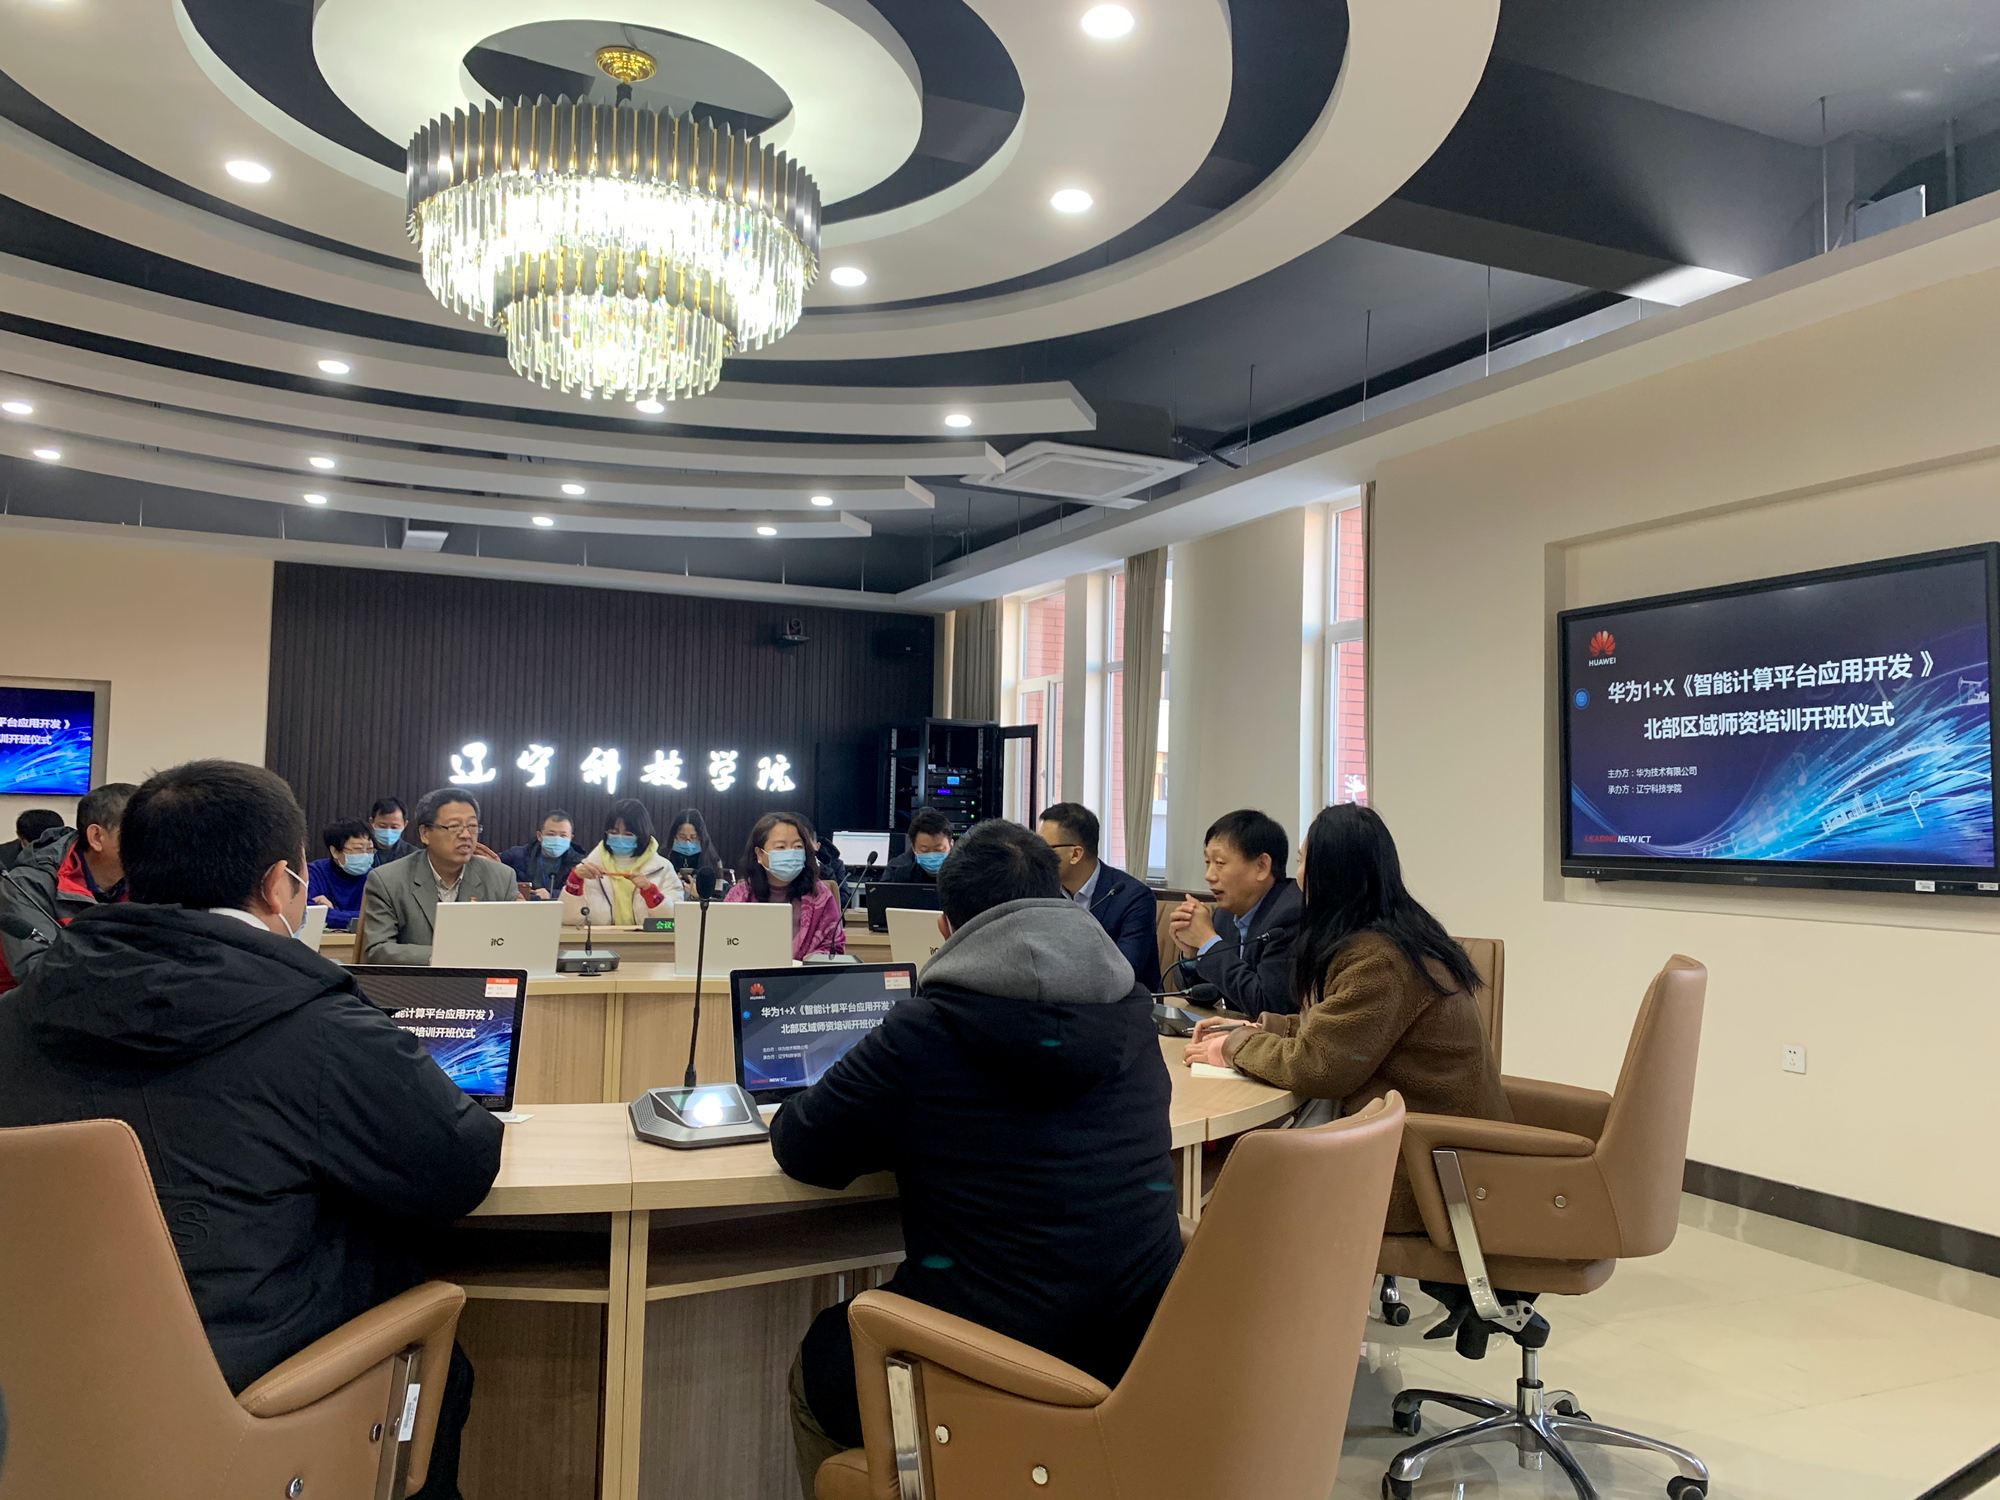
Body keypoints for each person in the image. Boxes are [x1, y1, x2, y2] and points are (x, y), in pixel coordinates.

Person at [0, 760, 501, 1498]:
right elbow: (456, 1168)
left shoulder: (17, 1016)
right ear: (278, 884)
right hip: (248, 1400)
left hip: (33, 1398)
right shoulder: (321, 1026)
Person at [774, 820, 1179, 1498]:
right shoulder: (1135, 1011)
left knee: (822, 1359)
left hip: (978, 1367)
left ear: (946, 929)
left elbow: (803, 1147)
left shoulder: (927, 1027)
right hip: (1135, 1355)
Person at [1184, 803, 1511, 1233]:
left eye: (1304, 861)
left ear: (1332, 875)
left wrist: (1234, 1046)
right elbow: (1345, 1029)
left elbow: (1318, 1067)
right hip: (1431, 1148)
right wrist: (1264, 1028)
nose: (1298, 876)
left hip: (1425, 1170)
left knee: (1242, 1187)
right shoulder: (1392, 936)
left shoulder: (1379, 958)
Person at [0, 782, 136, 995]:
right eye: (140, 833)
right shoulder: (26, 885)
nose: (154, 843)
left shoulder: (147, 880)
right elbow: (40, 976)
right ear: (96, 837)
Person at [359, 788, 520, 963]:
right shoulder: (388, 880)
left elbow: (512, 945)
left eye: (472, 827)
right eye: (454, 827)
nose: (466, 835)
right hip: (416, 979)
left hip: (483, 979)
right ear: (425, 834)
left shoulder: (501, 878)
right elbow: (378, 950)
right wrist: (446, 956)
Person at [1169, 808, 1303, 1015]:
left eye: (1220, 863)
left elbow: (1268, 1006)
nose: (1209, 876)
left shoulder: (1292, 914)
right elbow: (1206, 995)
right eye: (1207, 862)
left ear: (1262, 866)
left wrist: (1207, 942)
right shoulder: (1224, 914)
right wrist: (1192, 954)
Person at [1037, 801, 1162, 992]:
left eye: (1045, 849)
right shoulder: (1044, 894)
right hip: (1060, 1001)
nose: (1037, 857)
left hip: (1127, 1004)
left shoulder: (1133, 898)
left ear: (1075, 854)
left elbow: (1124, 971)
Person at [725, 812, 844, 959]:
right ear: (760, 854)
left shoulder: (821, 896)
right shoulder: (738, 897)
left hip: (805, 973)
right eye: (781, 847)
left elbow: (834, 949)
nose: (791, 853)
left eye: (798, 846)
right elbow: (722, 945)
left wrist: (812, 960)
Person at [562, 799, 678, 926]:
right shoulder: (587, 868)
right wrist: (574, 882)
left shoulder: (663, 868)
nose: (620, 838)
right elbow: (567, 921)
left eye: (628, 834)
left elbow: (673, 923)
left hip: (648, 939)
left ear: (642, 834)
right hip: (600, 938)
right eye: (614, 833)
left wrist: (651, 893)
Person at [306, 817, 375, 930]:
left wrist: (332, 912)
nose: (366, 855)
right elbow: (310, 913)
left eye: (370, 850)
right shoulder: (314, 872)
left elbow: (376, 917)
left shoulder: (375, 878)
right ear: (335, 852)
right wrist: (357, 917)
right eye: (358, 849)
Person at [502, 809, 583, 900]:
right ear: (539, 836)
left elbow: (581, 892)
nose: (557, 839)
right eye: (551, 834)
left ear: (571, 838)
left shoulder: (579, 864)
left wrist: (551, 894)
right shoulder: (517, 855)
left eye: (563, 835)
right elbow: (495, 867)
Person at [882, 806, 952, 884]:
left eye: (938, 849)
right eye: (924, 850)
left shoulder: (962, 877)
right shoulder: (902, 876)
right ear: (913, 848)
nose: (932, 856)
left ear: (951, 844)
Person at [664, 807, 723, 897]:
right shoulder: (663, 858)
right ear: (674, 835)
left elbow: (718, 899)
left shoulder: (713, 861)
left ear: (702, 837)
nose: (688, 842)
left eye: (694, 837)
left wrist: (699, 896)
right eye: (682, 837)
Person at [368, 796, 415, 862]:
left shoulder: (413, 855)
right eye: (382, 826)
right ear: (372, 822)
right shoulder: (360, 852)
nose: (388, 831)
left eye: (394, 827)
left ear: (405, 825)